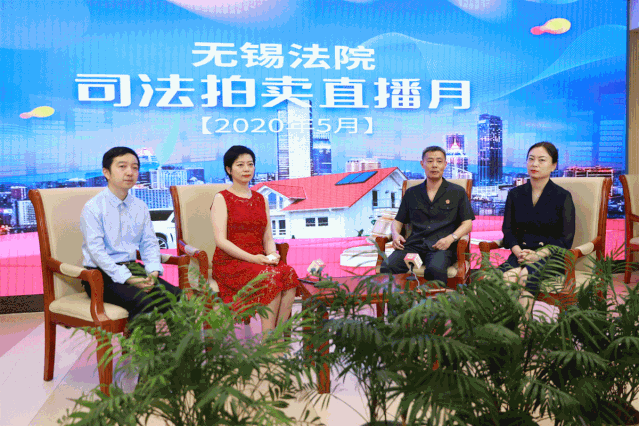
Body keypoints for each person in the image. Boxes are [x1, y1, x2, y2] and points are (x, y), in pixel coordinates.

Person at [80, 147, 181, 326]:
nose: (130, 172)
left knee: (177, 297)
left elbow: (149, 243)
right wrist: (128, 278)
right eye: (122, 166)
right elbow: (96, 253)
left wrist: (153, 271)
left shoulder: (140, 206)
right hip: (101, 276)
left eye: (135, 168)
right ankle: (143, 346)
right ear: (106, 172)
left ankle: (180, 345)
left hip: (133, 268)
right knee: (144, 303)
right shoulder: (93, 207)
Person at [211, 145, 298, 332]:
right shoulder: (222, 198)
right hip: (231, 262)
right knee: (271, 278)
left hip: (260, 259)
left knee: (289, 274)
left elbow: (268, 236)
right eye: (240, 165)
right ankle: (268, 339)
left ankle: (278, 335)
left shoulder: (261, 199)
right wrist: (254, 259)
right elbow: (221, 241)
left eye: (250, 164)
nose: (246, 169)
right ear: (229, 169)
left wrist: (272, 254)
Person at [380, 146, 474, 284]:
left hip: (441, 247)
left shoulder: (457, 192)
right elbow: (398, 221)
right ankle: (401, 298)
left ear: (445, 164)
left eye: (439, 161)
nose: (434, 165)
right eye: (430, 161)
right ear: (422, 164)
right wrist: (395, 234)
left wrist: (451, 238)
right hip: (414, 245)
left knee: (435, 270)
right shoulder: (411, 193)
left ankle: (437, 299)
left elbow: (467, 224)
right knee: (387, 267)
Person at [499, 142, 575, 308]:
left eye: (542, 160)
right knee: (503, 278)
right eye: (531, 159)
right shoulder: (515, 194)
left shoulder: (562, 196)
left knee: (524, 276)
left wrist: (538, 255)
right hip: (520, 254)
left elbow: (566, 239)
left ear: (553, 166)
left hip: (550, 258)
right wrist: (518, 252)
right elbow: (508, 230)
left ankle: (523, 321)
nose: (534, 164)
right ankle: (510, 322)